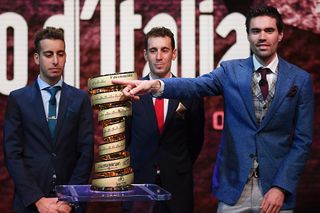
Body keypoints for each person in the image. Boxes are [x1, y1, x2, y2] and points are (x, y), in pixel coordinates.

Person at [113, 6, 314, 213]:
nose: (262, 37)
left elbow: (302, 141)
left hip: (276, 193)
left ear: (280, 34)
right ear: (247, 35)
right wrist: (155, 85)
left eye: (269, 30)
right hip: (234, 191)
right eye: (256, 31)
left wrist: (281, 186)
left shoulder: (300, 80)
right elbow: (195, 85)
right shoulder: (230, 70)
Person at [3, 27, 94, 213]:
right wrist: (37, 199)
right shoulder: (18, 99)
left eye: (60, 54)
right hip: (30, 203)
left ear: (66, 57)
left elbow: (86, 153)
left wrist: (69, 199)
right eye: (48, 54)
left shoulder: (80, 99)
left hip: (69, 206)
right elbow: (12, 154)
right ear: (37, 58)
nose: (55, 60)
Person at [124, 27, 204, 213]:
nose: (159, 57)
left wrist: (175, 165)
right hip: (138, 184)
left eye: (164, 50)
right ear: (145, 54)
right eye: (153, 50)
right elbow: (125, 141)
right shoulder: (130, 93)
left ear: (174, 54)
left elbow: (195, 140)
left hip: (177, 186)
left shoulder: (189, 93)